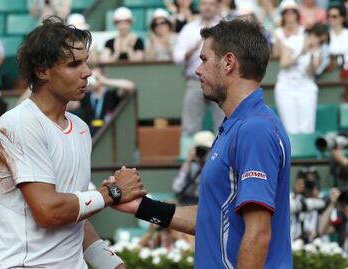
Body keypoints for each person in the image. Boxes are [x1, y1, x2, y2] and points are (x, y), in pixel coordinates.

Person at [114, 19, 292, 268]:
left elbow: (258, 234)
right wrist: (142, 207)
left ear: (228, 62)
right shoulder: (239, 126)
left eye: (204, 59)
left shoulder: (254, 129)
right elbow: (213, 218)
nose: (198, 70)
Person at [0, 17, 146, 269]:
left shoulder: (80, 128)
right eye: (74, 64)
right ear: (42, 70)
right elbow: (49, 211)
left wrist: (113, 265)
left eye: (86, 62)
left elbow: (73, 216)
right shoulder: (19, 122)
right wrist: (112, 194)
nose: (88, 72)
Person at [173, 0, 224, 136]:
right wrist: (193, 48)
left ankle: (224, 156)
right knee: (190, 126)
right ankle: (189, 157)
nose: (207, 7)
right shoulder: (189, 28)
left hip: (220, 81)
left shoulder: (225, 27)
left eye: (211, 3)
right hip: (195, 80)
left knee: (223, 124)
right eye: (204, 3)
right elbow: (177, 57)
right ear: (199, 6)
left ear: (217, 6)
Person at [75, 66, 135, 135]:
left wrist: (104, 81)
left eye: (96, 77)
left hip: (107, 133)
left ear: (103, 76)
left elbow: (130, 86)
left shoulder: (111, 95)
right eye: (90, 77)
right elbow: (71, 104)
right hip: (89, 133)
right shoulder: (86, 96)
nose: (93, 80)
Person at [172, 130, 215, 205]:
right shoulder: (192, 166)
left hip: (207, 203)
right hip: (190, 202)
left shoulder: (216, 166)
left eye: (207, 150)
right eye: (201, 150)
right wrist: (188, 162)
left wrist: (209, 162)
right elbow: (177, 188)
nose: (203, 153)